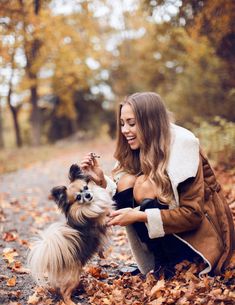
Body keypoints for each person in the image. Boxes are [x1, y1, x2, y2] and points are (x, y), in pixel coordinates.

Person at [81, 92, 235, 278]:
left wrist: (140, 216)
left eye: (131, 123)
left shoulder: (182, 145)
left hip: (200, 240)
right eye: (122, 124)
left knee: (144, 184)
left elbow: (193, 215)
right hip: (172, 237)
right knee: (127, 180)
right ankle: (161, 263)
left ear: (149, 122)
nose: (124, 130)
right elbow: (123, 205)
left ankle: (171, 263)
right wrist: (101, 181)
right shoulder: (140, 147)